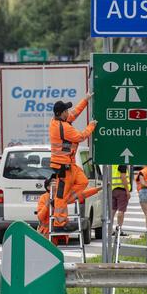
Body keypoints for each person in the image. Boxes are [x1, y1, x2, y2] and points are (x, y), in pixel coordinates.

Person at [49, 94, 97, 229]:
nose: (68, 113)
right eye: (66, 111)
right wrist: (91, 126)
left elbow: (75, 113)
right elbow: (81, 136)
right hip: (63, 167)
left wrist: (85, 99)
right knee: (60, 196)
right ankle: (60, 223)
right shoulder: (64, 128)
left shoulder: (57, 121)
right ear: (61, 114)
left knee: (83, 182)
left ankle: (66, 200)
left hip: (69, 165)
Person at [111, 164, 130, 236]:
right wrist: (127, 191)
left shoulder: (112, 165)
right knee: (121, 211)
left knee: (112, 210)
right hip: (122, 190)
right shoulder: (122, 164)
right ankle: (119, 229)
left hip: (113, 189)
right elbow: (123, 177)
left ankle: (110, 229)